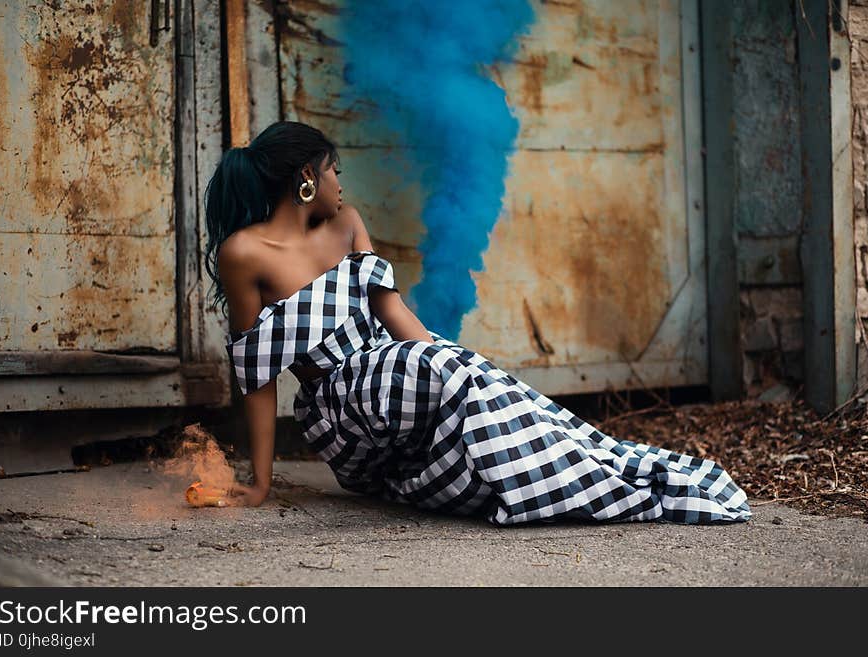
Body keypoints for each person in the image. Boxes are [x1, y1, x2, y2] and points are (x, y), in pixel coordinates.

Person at [204, 120, 752, 525]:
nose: (340, 184)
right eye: (333, 172)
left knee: (478, 381)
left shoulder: (347, 224)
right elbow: (257, 374)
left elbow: (394, 315)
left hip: (398, 373)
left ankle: (602, 474)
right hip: (342, 408)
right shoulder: (244, 254)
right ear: (306, 176)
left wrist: (458, 365)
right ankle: (560, 482)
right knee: (445, 370)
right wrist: (261, 483)